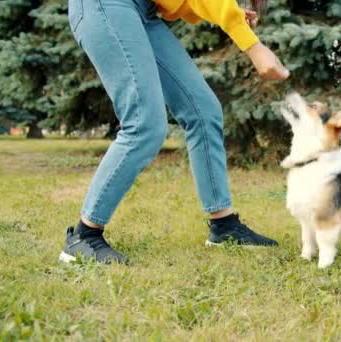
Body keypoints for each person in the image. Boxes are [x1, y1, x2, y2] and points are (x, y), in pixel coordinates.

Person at [59, 0, 289, 264]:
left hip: (143, 10)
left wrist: (232, 14)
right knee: (144, 123)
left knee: (203, 111)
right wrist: (253, 45)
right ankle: (83, 236)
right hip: (106, 5)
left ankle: (223, 226)